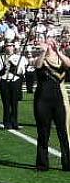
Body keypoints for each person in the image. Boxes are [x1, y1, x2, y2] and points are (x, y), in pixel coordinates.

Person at [33, 39, 70, 171]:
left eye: (51, 43)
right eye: (47, 43)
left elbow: (68, 64)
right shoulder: (41, 59)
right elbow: (37, 66)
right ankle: (42, 164)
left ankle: (67, 163)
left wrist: (58, 52)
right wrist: (43, 51)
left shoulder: (61, 59)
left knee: (63, 132)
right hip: (42, 100)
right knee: (43, 133)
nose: (50, 45)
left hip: (58, 99)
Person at [0, 43, 27, 130]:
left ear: (13, 47)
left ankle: (14, 122)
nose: (9, 48)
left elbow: (22, 71)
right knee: (6, 104)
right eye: (7, 46)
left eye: (10, 46)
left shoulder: (20, 58)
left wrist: (14, 68)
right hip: (4, 81)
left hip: (15, 81)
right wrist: (3, 69)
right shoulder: (0, 58)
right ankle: (7, 123)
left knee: (14, 103)